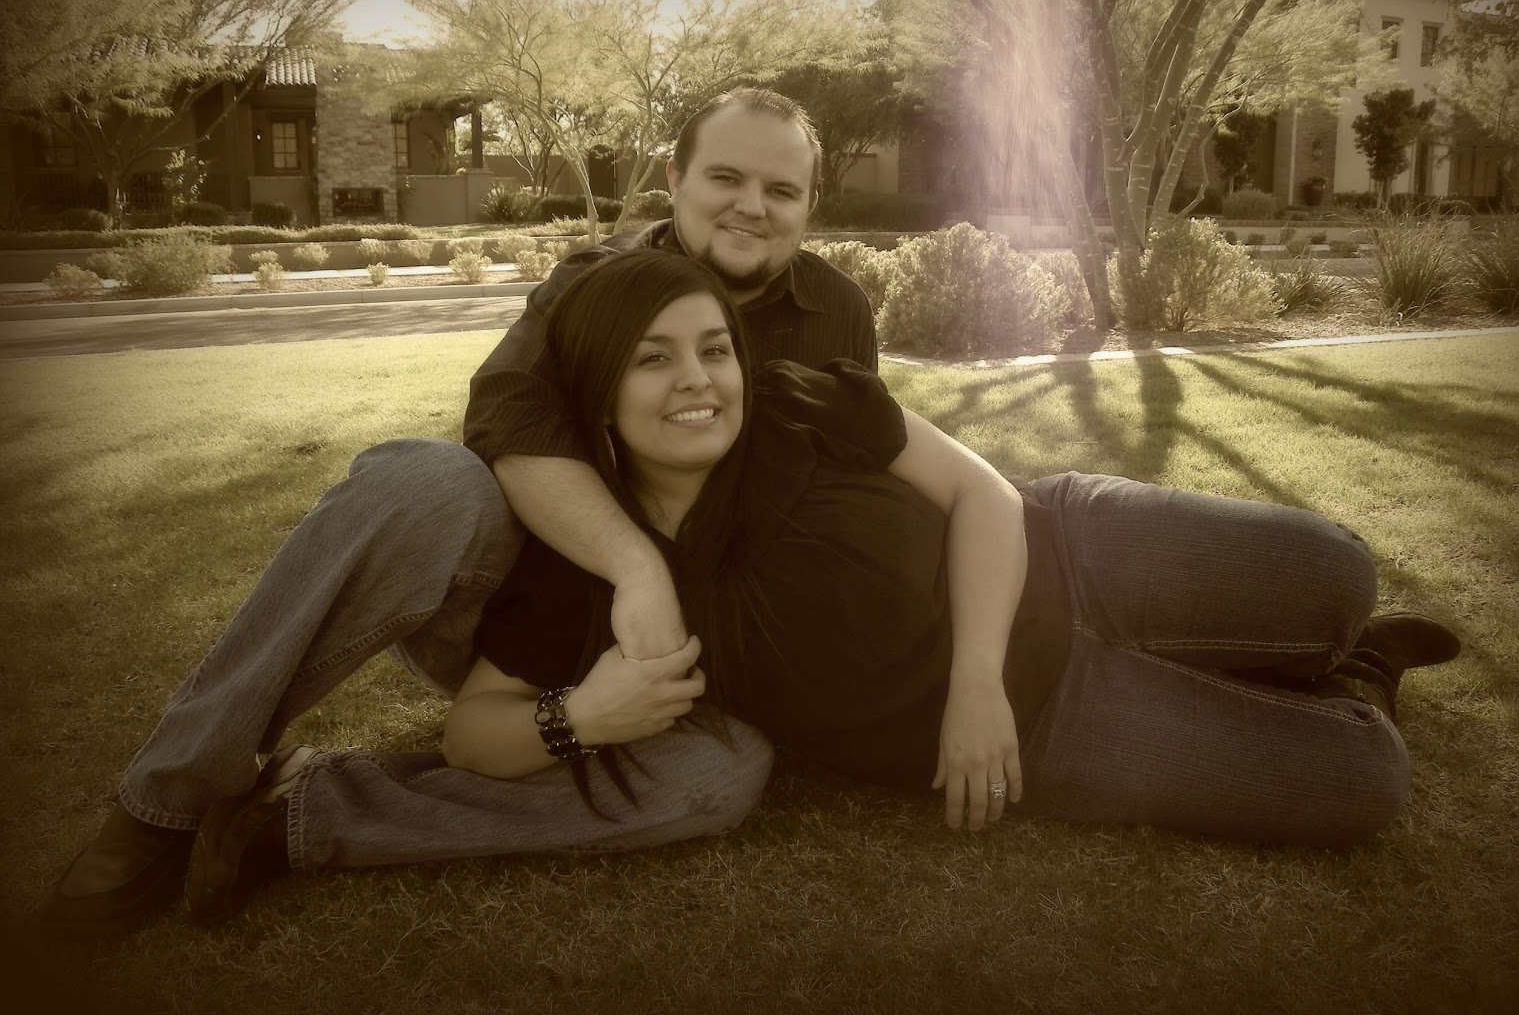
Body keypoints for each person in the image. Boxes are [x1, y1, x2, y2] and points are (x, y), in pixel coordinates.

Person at [40, 87, 874, 934]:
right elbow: (508, 420)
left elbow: (851, 489)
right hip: (529, 615)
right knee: (426, 481)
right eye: (726, 177)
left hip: (689, 654)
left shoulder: (837, 312)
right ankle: (167, 798)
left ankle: (299, 810)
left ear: (811, 202)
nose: (751, 206)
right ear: (674, 179)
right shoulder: (590, 283)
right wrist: (635, 566)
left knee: (720, 772)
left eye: (782, 189)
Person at [450, 250, 1462, 846]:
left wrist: (974, 681)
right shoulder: (590, 557)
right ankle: (1359, 675)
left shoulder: (802, 402)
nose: (698, 381)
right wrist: (581, 716)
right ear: (596, 394)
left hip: (1069, 549)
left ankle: (1300, 646)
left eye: (714, 349)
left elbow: (982, 493)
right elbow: (470, 734)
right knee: (1361, 780)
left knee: (1337, 574)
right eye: (653, 359)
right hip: (1045, 721)